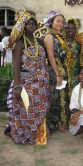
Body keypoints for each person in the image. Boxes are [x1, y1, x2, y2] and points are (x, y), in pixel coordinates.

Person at [6, 10, 49, 144]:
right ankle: (24, 136)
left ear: (36, 26)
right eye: (28, 24)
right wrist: (17, 86)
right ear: (24, 26)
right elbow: (16, 65)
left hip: (40, 85)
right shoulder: (19, 43)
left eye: (33, 24)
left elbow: (43, 62)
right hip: (25, 83)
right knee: (25, 110)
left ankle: (38, 136)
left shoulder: (40, 42)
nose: (31, 26)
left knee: (38, 111)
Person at [43, 10, 68, 133]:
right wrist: (57, 74)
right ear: (51, 22)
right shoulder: (49, 36)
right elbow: (51, 56)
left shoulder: (59, 36)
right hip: (53, 71)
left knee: (59, 99)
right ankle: (47, 125)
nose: (60, 24)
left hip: (62, 69)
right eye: (58, 21)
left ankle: (58, 123)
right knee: (51, 98)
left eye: (62, 22)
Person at [64, 18, 81, 128]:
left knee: (73, 99)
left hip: (75, 76)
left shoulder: (79, 44)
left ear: (76, 29)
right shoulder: (61, 42)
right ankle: (62, 122)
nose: (70, 30)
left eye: (73, 28)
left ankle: (72, 121)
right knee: (62, 99)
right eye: (68, 28)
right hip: (62, 76)